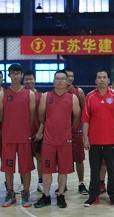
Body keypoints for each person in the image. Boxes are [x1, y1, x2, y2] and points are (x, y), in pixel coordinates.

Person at [34, 70, 80, 209]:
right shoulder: (46, 96)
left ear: (67, 81)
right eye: (57, 78)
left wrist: (67, 129)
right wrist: (50, 127)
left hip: (65, 140)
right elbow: (41, 116)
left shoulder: (72, 98)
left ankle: (60, 194)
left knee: (63, 170)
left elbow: (77, 117)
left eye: (62, 79)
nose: (60, 81)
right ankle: (46, 195)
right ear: (53, 81)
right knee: (47, 169)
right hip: (49, 140)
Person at [81, 69, 114, 207]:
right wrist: (85, 138)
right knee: (95, 170)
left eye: (104, 77)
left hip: (112, 140)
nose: (102, 79)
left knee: (112, 170)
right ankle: (93, 196)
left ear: (108, 80)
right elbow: (85, 119)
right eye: (99, 77)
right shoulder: (89, 97)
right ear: (95, 80)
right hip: (95, 141)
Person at [0, 64, 36, 208]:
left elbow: (31, 117)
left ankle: (26, 193)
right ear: (9, 75)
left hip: (24, 136)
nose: (15, 76)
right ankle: (10, 193)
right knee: (8, 167)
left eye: (18, 73)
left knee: (25, 168)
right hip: (8, 137)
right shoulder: (2, 94)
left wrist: (24, 129)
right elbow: (2, 116)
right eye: (12, 73)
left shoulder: (29, 94)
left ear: (22, 75)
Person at [63, 67, 89, 195]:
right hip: (62, 131)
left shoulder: (78, 92)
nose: (70, 78)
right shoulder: (57, 92)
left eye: (72, 76)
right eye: (68, 76)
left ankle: (81, 183)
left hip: (76, 130)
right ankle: (63, 184)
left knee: (79, 158)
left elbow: (85, 113)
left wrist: (85, 133)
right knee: (62, 158)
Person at [23, 70, 45, 195]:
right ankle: (23, 183)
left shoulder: (41, 96)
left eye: (31, 79)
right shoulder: (20, 95)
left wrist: (40, 131)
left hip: (37, 132)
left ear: (35, 80)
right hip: (23, 133)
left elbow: (44, 115)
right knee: (23, 160)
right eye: (26, 79)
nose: (29, 81)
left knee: (39, 158)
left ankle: (41, 182)